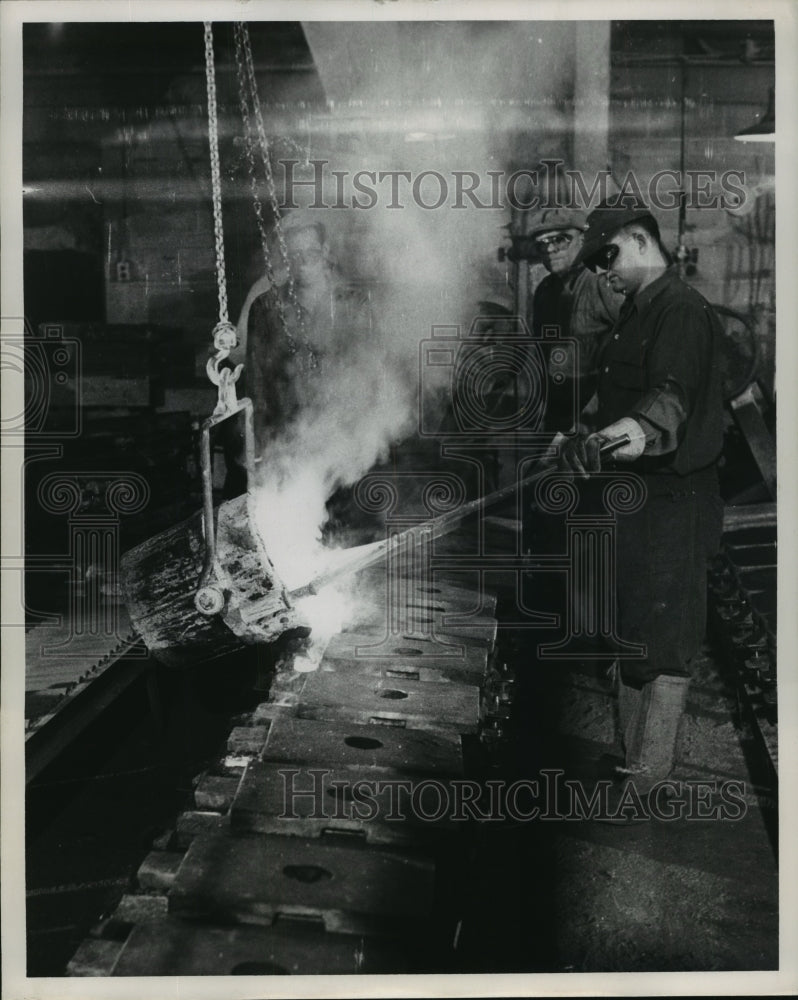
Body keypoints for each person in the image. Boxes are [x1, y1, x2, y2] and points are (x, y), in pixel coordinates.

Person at [557, 198, 725, 818]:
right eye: (595, 264)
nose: (601, 272)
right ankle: (634, 759)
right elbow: (615, 394)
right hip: (636, 501)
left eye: (607, 257)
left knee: (665, 637)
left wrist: (608, 441)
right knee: (630, 626)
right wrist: (578, 430)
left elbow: (668, 404)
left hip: (674, 501)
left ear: (640, 239)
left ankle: (649, 781)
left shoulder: (680, 312)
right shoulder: (634, 313)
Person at [223, 211, 372, 495]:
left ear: (326, 251)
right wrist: (257, 440)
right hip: (287, 431)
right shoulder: (266, 307)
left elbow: (367, 372)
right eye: (295, 255)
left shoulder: (353, 304)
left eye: (312, 253)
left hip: (342, 431)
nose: (304, 263)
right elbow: (257, 384)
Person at [528, 206, 624, 434]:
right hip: (557, 405)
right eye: (542, 243)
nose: (550, 249)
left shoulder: (603, 283)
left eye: (560, 240)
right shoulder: (545, 290)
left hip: (596, 409)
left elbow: (633, 348)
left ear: (583, 240)